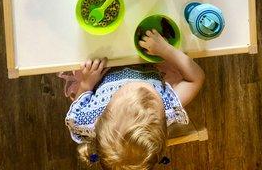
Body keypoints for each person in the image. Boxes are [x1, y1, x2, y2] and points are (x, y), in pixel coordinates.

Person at [63, 29, 205, 169]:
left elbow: (79, 103)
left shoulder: (87, 120)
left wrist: (87, 83)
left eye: (125, 89)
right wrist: (166, 50)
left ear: (102, 117)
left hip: (102, 63)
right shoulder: (168, 108)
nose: (133, 82)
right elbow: (196, 79)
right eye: (148, 91)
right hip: (146, 58)